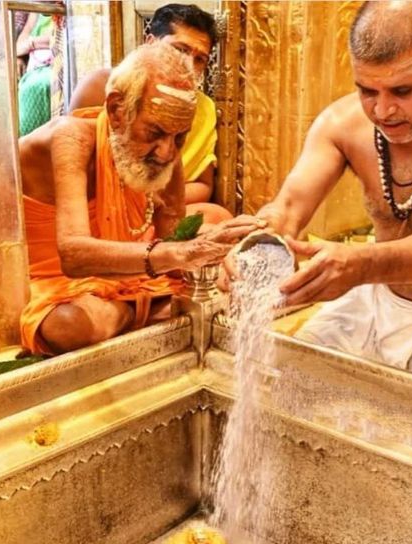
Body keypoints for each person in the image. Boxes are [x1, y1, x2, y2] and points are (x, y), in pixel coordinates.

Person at [227, 0, 412, 400]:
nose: (383, 110)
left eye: (402, 91)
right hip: (379, 293)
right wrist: (253, 249)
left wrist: (359, 266)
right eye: (367, 90)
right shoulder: (341, 124)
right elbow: (286, 209)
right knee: (291, 391)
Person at [18, 42, 262, 355]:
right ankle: (143, 313)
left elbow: (171, 237)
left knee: (222, 237)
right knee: (68, 326)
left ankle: (133, 313)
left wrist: (216, 252)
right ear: (117, 110)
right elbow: (74, 255)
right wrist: (179, 254)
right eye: (155, 133)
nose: (167, 152)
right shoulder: (71, 138)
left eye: (179, 136)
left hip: (130, 281)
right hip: (57, 282)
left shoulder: (168, 150)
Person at [69, 4, 229, 225]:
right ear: (150, 43)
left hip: (156, 205)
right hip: (99, 209)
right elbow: (77, 170)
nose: (189, 66)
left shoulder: (202, 108)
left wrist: (151, 199)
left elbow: (203, 186)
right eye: (180, 50)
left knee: (217, 216)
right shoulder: (99, 86)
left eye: (200, 59)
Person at [16, 13, 54, 136]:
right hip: (34, 65)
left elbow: (59, 38)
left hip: (56, 64)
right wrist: (19, 58)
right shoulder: (36, 10)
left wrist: (31, 43)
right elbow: (19, 45)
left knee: (38, 86)